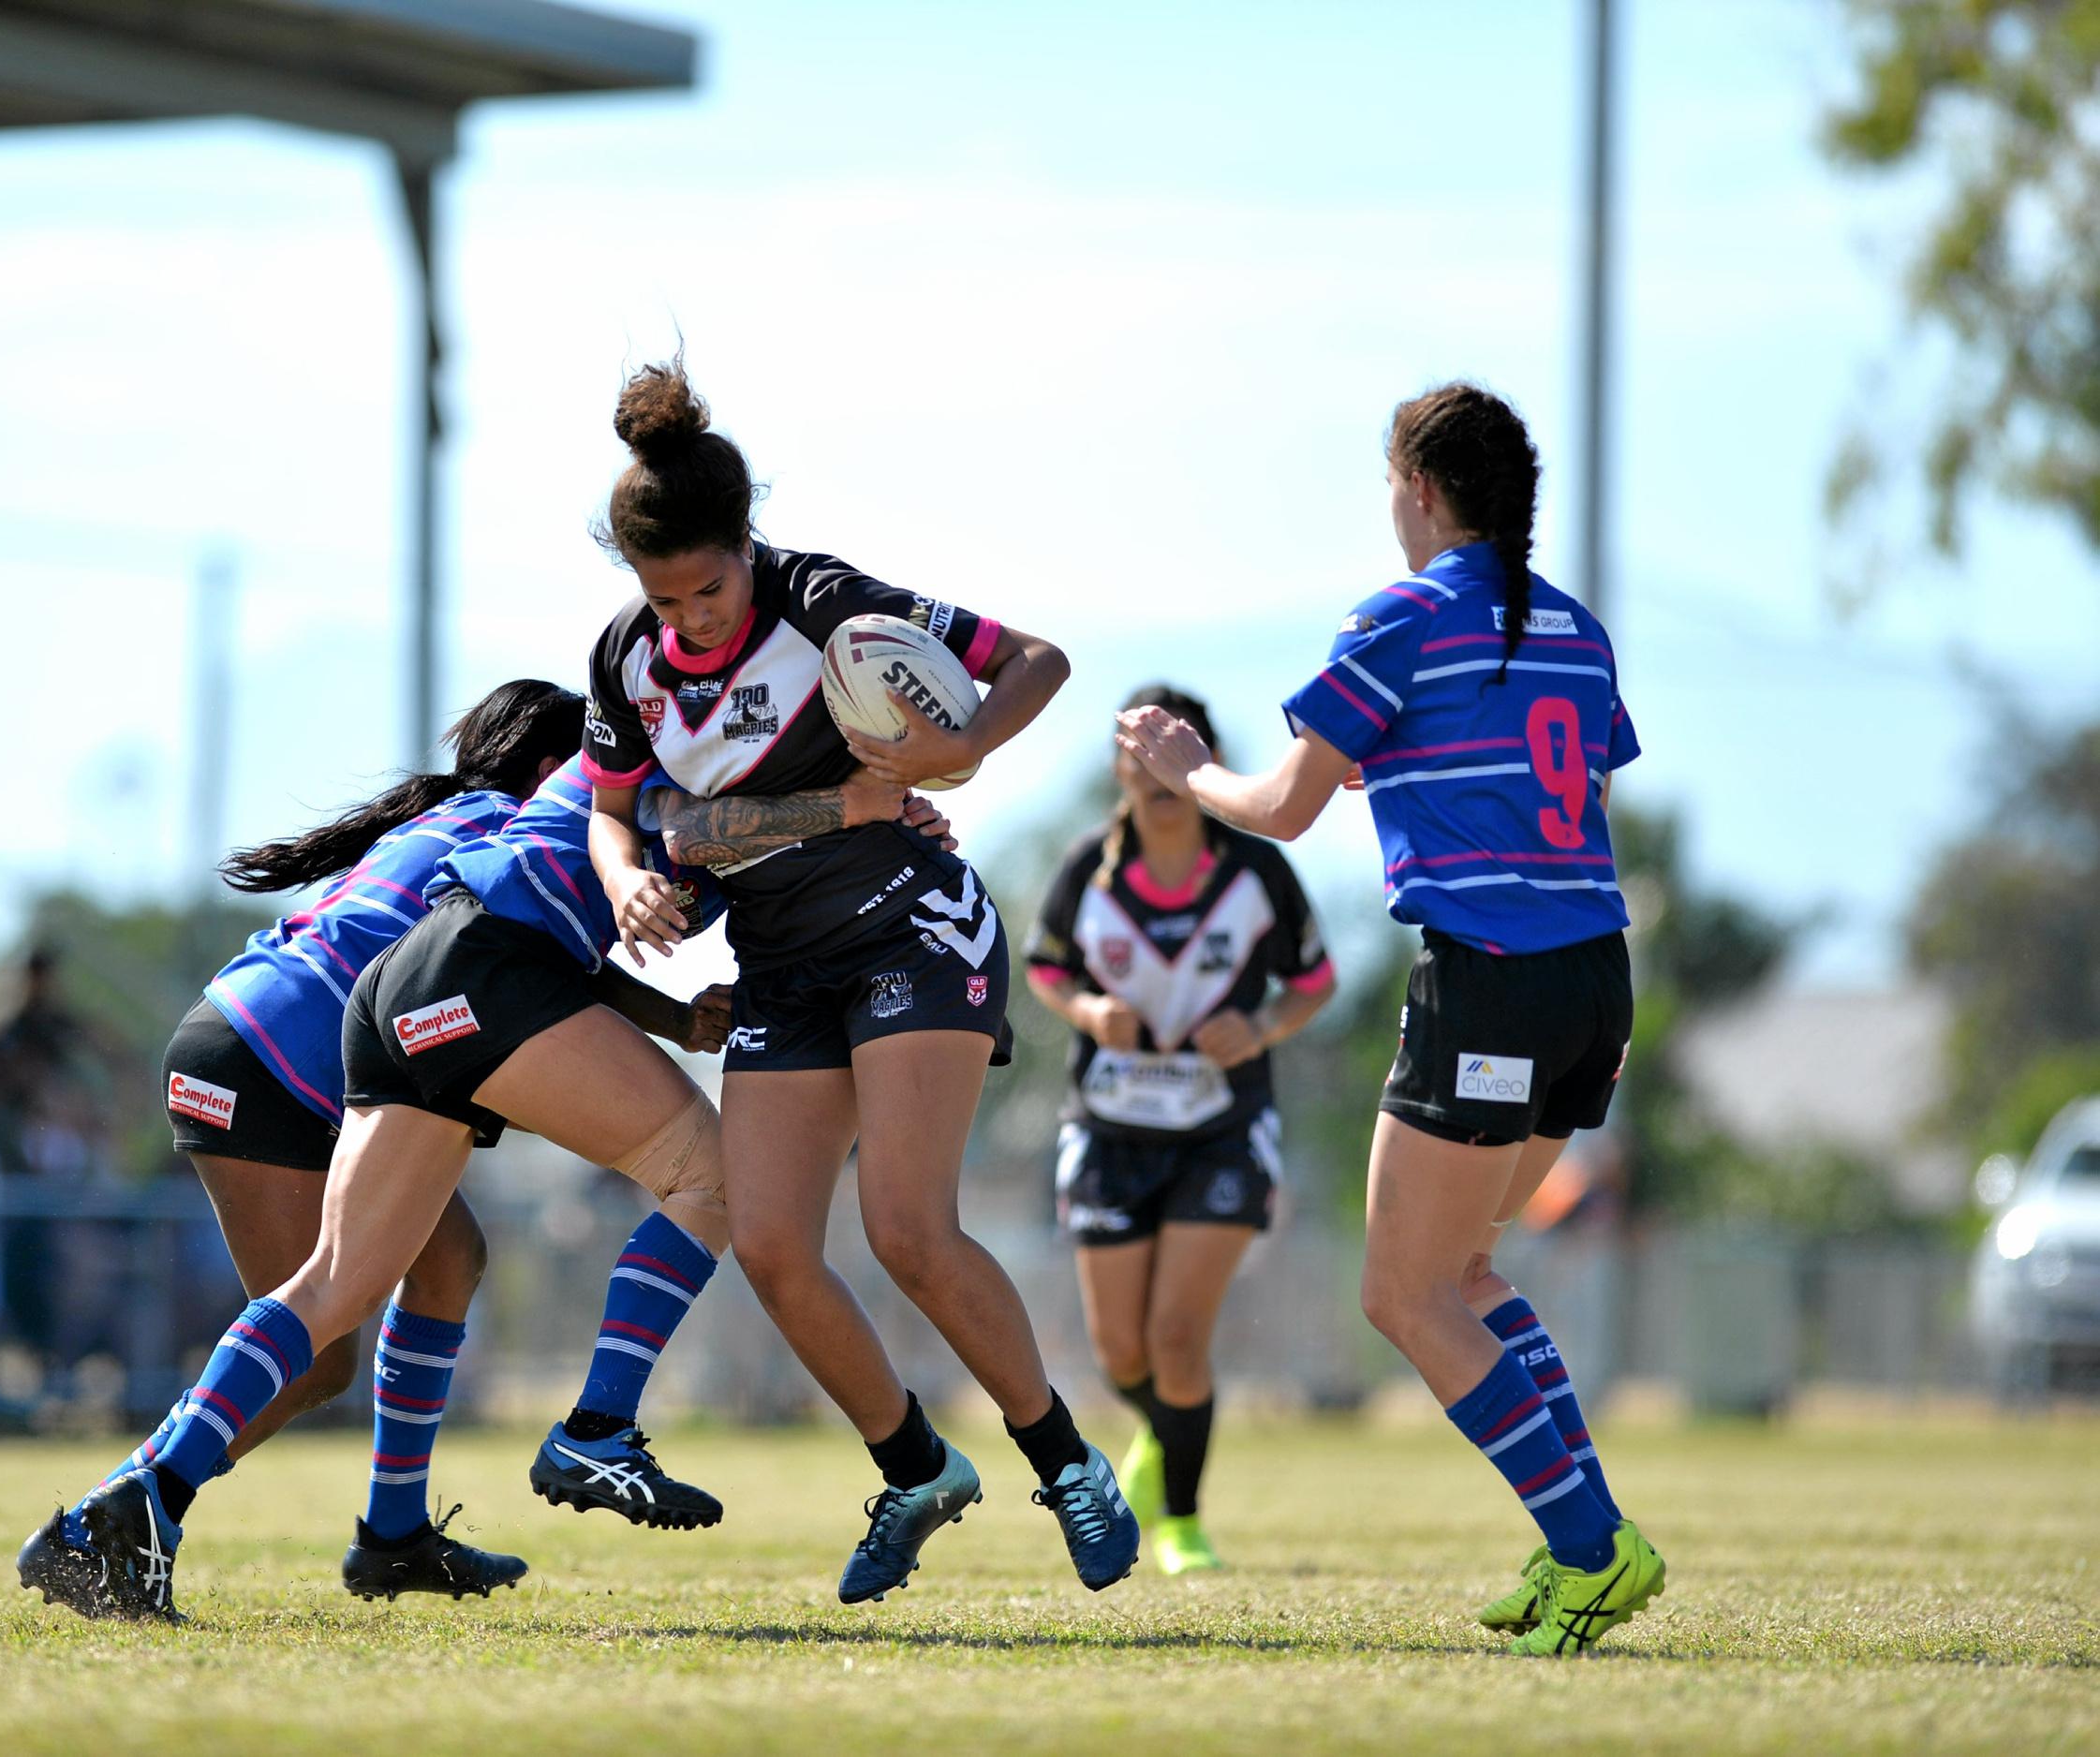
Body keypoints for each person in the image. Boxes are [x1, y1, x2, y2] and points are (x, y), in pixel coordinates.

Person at [27, 681, 961, 1620]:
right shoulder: (593, 795)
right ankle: (144, 1498)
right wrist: (856, 811)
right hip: (297, 1050)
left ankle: (352, 1528)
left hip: (293, 1023)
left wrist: (690, 1004)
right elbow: (573, 918)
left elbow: (557, 949)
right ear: (558, 766)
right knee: (337, 1340)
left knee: (421, 1270)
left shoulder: (488, 816)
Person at [1117, 382, 1665, 1656]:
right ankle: (1575, 1539)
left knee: (1402, 1294)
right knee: (1465, 1274)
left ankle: (1593, 1547)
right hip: (1592, 980)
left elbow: (1284, 806)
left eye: (1387, 487)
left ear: (1419, 489)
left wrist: (1180, 765)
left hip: (1489, 975)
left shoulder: (1402, 616)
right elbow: (1544, 773)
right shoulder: (1575, 630)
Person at [583, 357, 1141, 1603]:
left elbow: (1034, 660)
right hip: (781, 966)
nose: (691, 621)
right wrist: (626, 878)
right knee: (773, 1246)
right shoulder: (625, 659)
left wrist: (961, 747)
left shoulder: (826, 602)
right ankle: (914, 1470)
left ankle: (1063, 1461)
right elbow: (622, 819)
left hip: (910, 930)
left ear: (746, 545)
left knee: (903, 1227)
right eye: (663, 599)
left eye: (709, 588)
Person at [1024, 684, 1335, 1575]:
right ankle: (1167, 1430)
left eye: (1171, 747)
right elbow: (1045, 970)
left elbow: (1315, 981)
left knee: (1175, 1338)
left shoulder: (1257, 870)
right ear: (1119, 768)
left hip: (1222, 1130)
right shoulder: (1087, 866)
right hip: (1110, 1129)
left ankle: (1181, 1521)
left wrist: (1265, 1027)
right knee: (1119, 1349)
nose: (1151, 768)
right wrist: (1086, 1008)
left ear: (1200, 759)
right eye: (1135, 748)